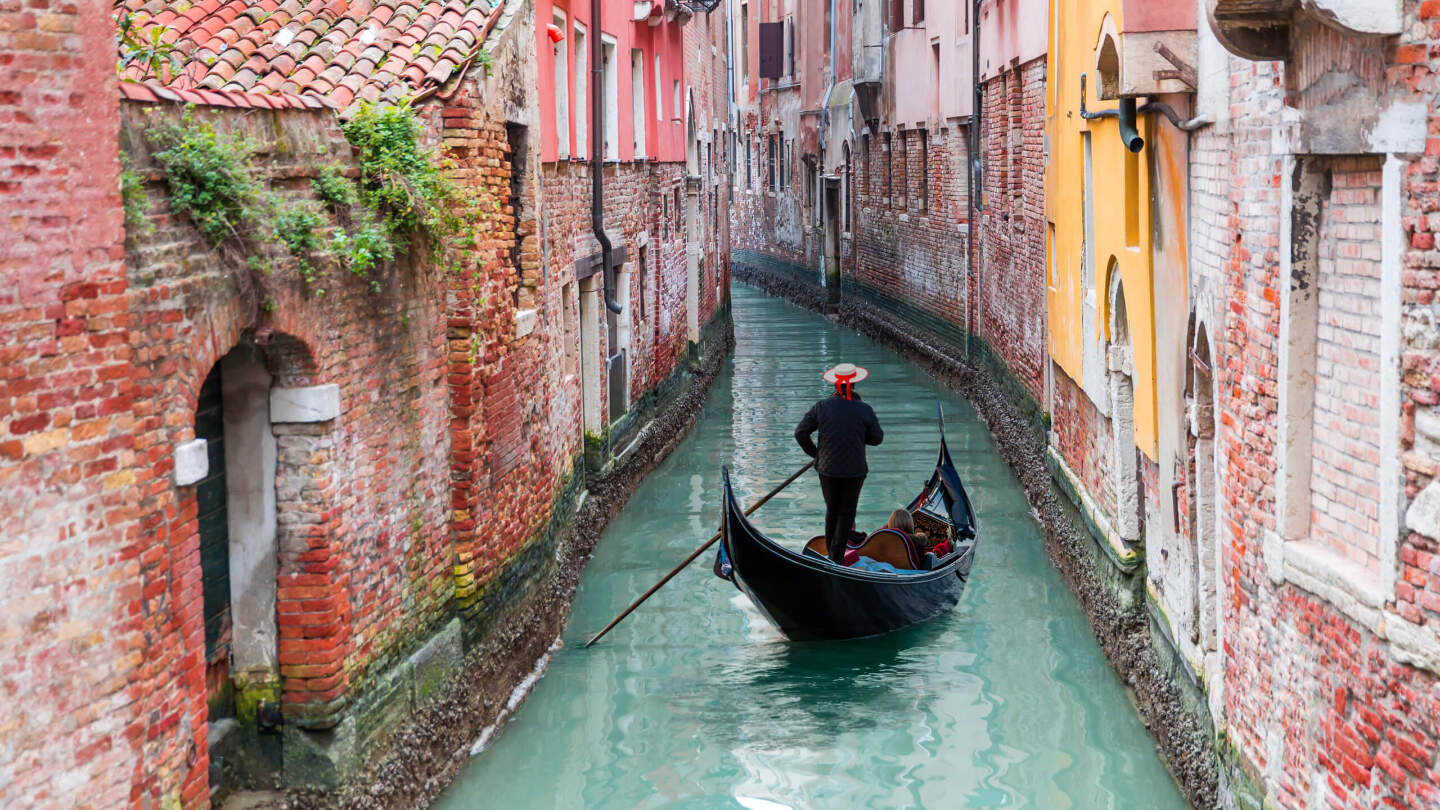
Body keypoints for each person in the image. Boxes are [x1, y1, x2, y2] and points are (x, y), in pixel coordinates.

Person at [795, 362, 884, 563]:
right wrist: (860, 436)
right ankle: (835, 558)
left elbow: (800, 433)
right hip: (854, 470)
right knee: (846, 513)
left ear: (835, 385)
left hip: (827, 469)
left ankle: (832, 556)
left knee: (832, 511)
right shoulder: (864, 409)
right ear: (853, 384)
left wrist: (817, 454)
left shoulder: (821, 407)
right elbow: (877, 438)